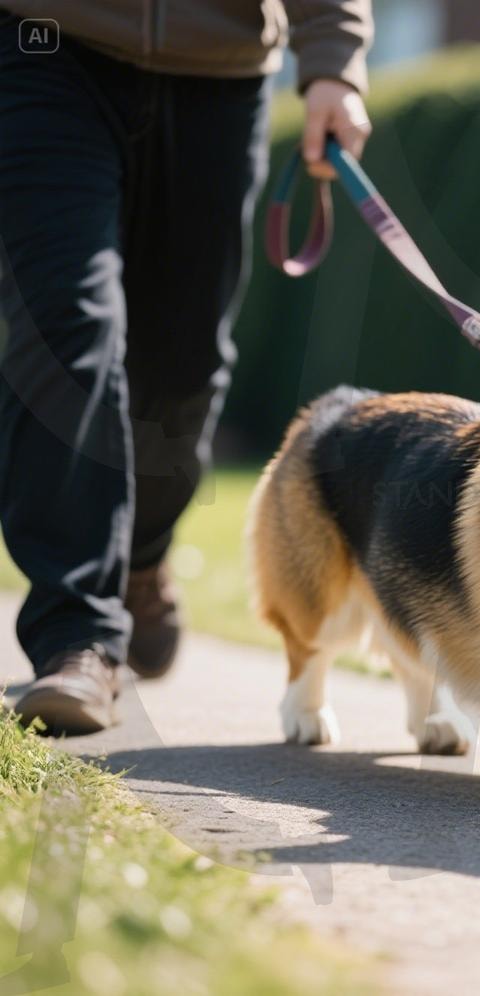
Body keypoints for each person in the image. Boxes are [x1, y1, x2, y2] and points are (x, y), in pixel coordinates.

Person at [0, 1, 373, 734]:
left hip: (219, 70)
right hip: (42, 43)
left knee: (183, 366)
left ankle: (139, 557)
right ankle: (77, 637)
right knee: (64, 326)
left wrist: (332, 61)